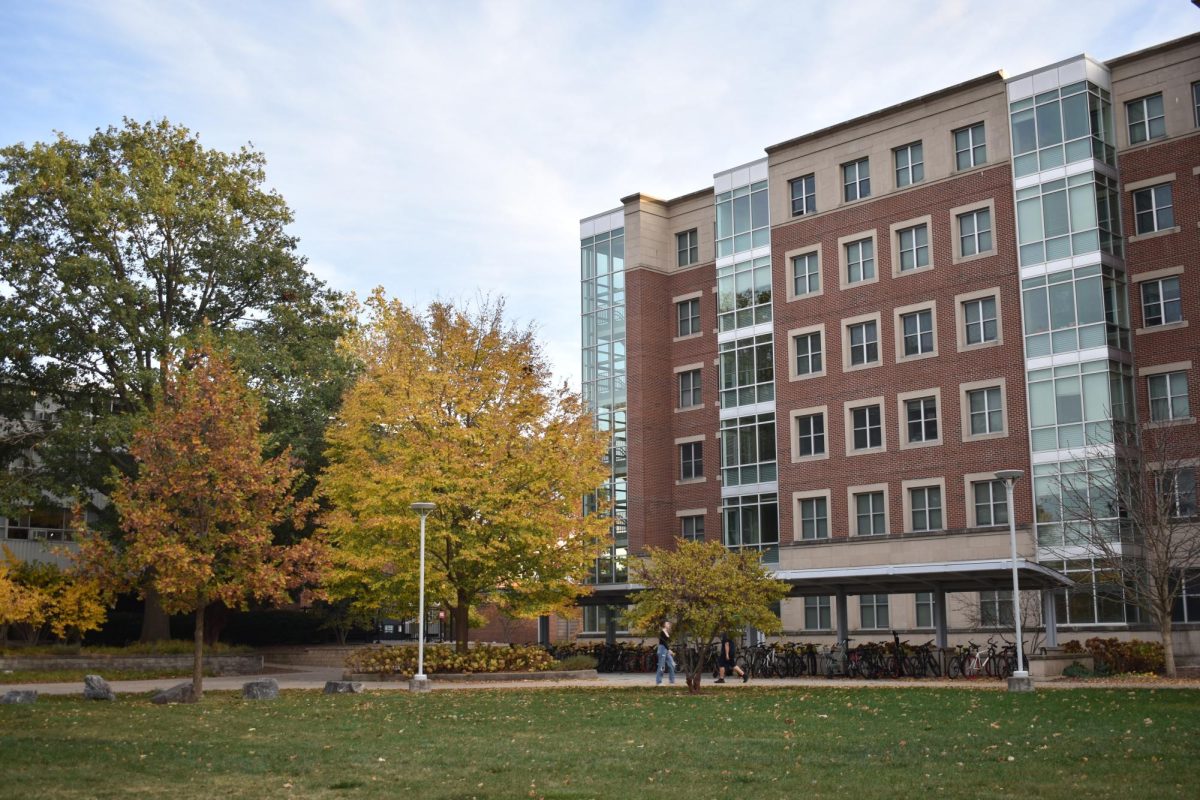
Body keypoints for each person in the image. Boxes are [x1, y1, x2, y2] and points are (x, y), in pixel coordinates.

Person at [655, 620, 676, 686]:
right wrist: (669, 649)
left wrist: (669, 649)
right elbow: (664, 642)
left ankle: (671, 681)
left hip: (666, 650)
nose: (669, 624)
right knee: (661, 666)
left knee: (672, 664)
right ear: (664, 625)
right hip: (662, 650)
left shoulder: (667, 632)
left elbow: (667, 642)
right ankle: (659, 682)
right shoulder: (662, 632)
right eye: (667, 623)